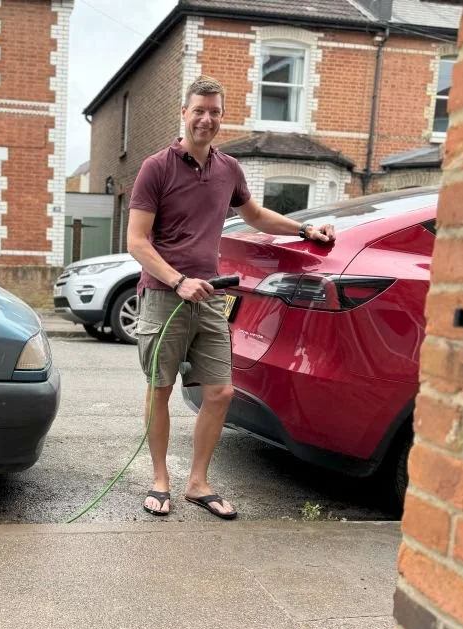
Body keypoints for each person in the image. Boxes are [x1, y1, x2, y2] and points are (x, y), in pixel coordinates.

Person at [126, 76, 336, 520]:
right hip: (165, 295)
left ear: (222, 117)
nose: (207, 119)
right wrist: (178, 279)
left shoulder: (229, 169)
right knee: (159, 389)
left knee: (220, 391)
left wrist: (304, 230)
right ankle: (160, 479)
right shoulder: (156, 167)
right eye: (199, 110)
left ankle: (197, 483)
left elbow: (255, 215)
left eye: (215, 112)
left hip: (210, 297)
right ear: (183, 113)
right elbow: (137, 241)